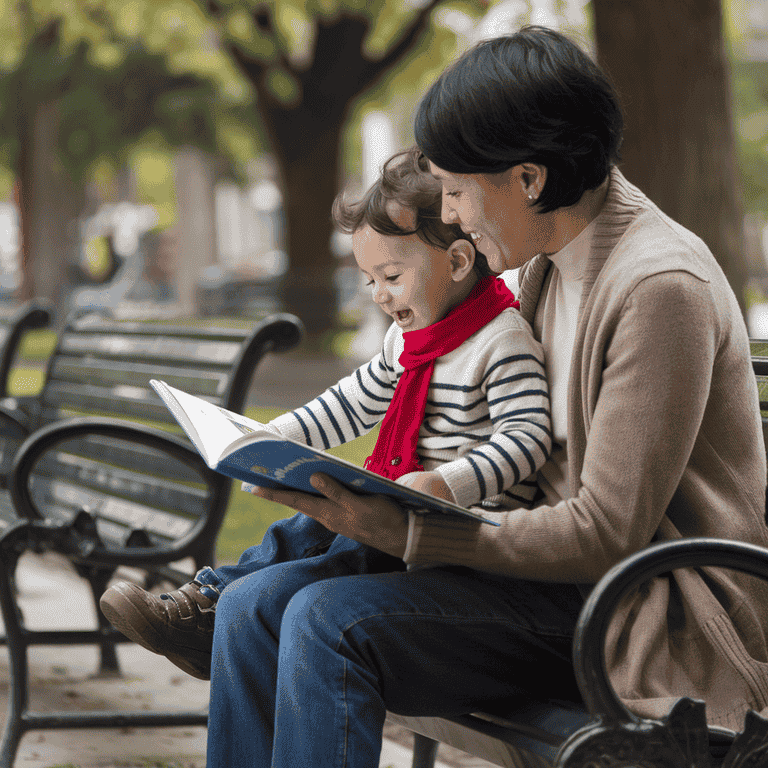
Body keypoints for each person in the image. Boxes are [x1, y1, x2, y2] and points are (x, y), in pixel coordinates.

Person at [104, 25, 768, 768]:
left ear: (529, 180)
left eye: (455, 190)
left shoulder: (656, 287)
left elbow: (607, 532)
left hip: (644, 607)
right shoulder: (556, 257)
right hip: (554, 581)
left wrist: (417, 531)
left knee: (328, 620)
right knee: (254, 607)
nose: (448, 214)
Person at [101, 147, 552, 668]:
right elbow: (352, 402)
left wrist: (450, 482)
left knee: (344, 533)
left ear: (456, 262)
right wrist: (271, 439)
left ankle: (218, 619)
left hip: (459, 533)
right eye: (370, 281)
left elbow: (527, 438)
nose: (380, 295)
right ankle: (205, 604)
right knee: (307, 523)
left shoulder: (501, 340)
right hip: (406, 511)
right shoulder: (405, 338)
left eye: (391, 276)